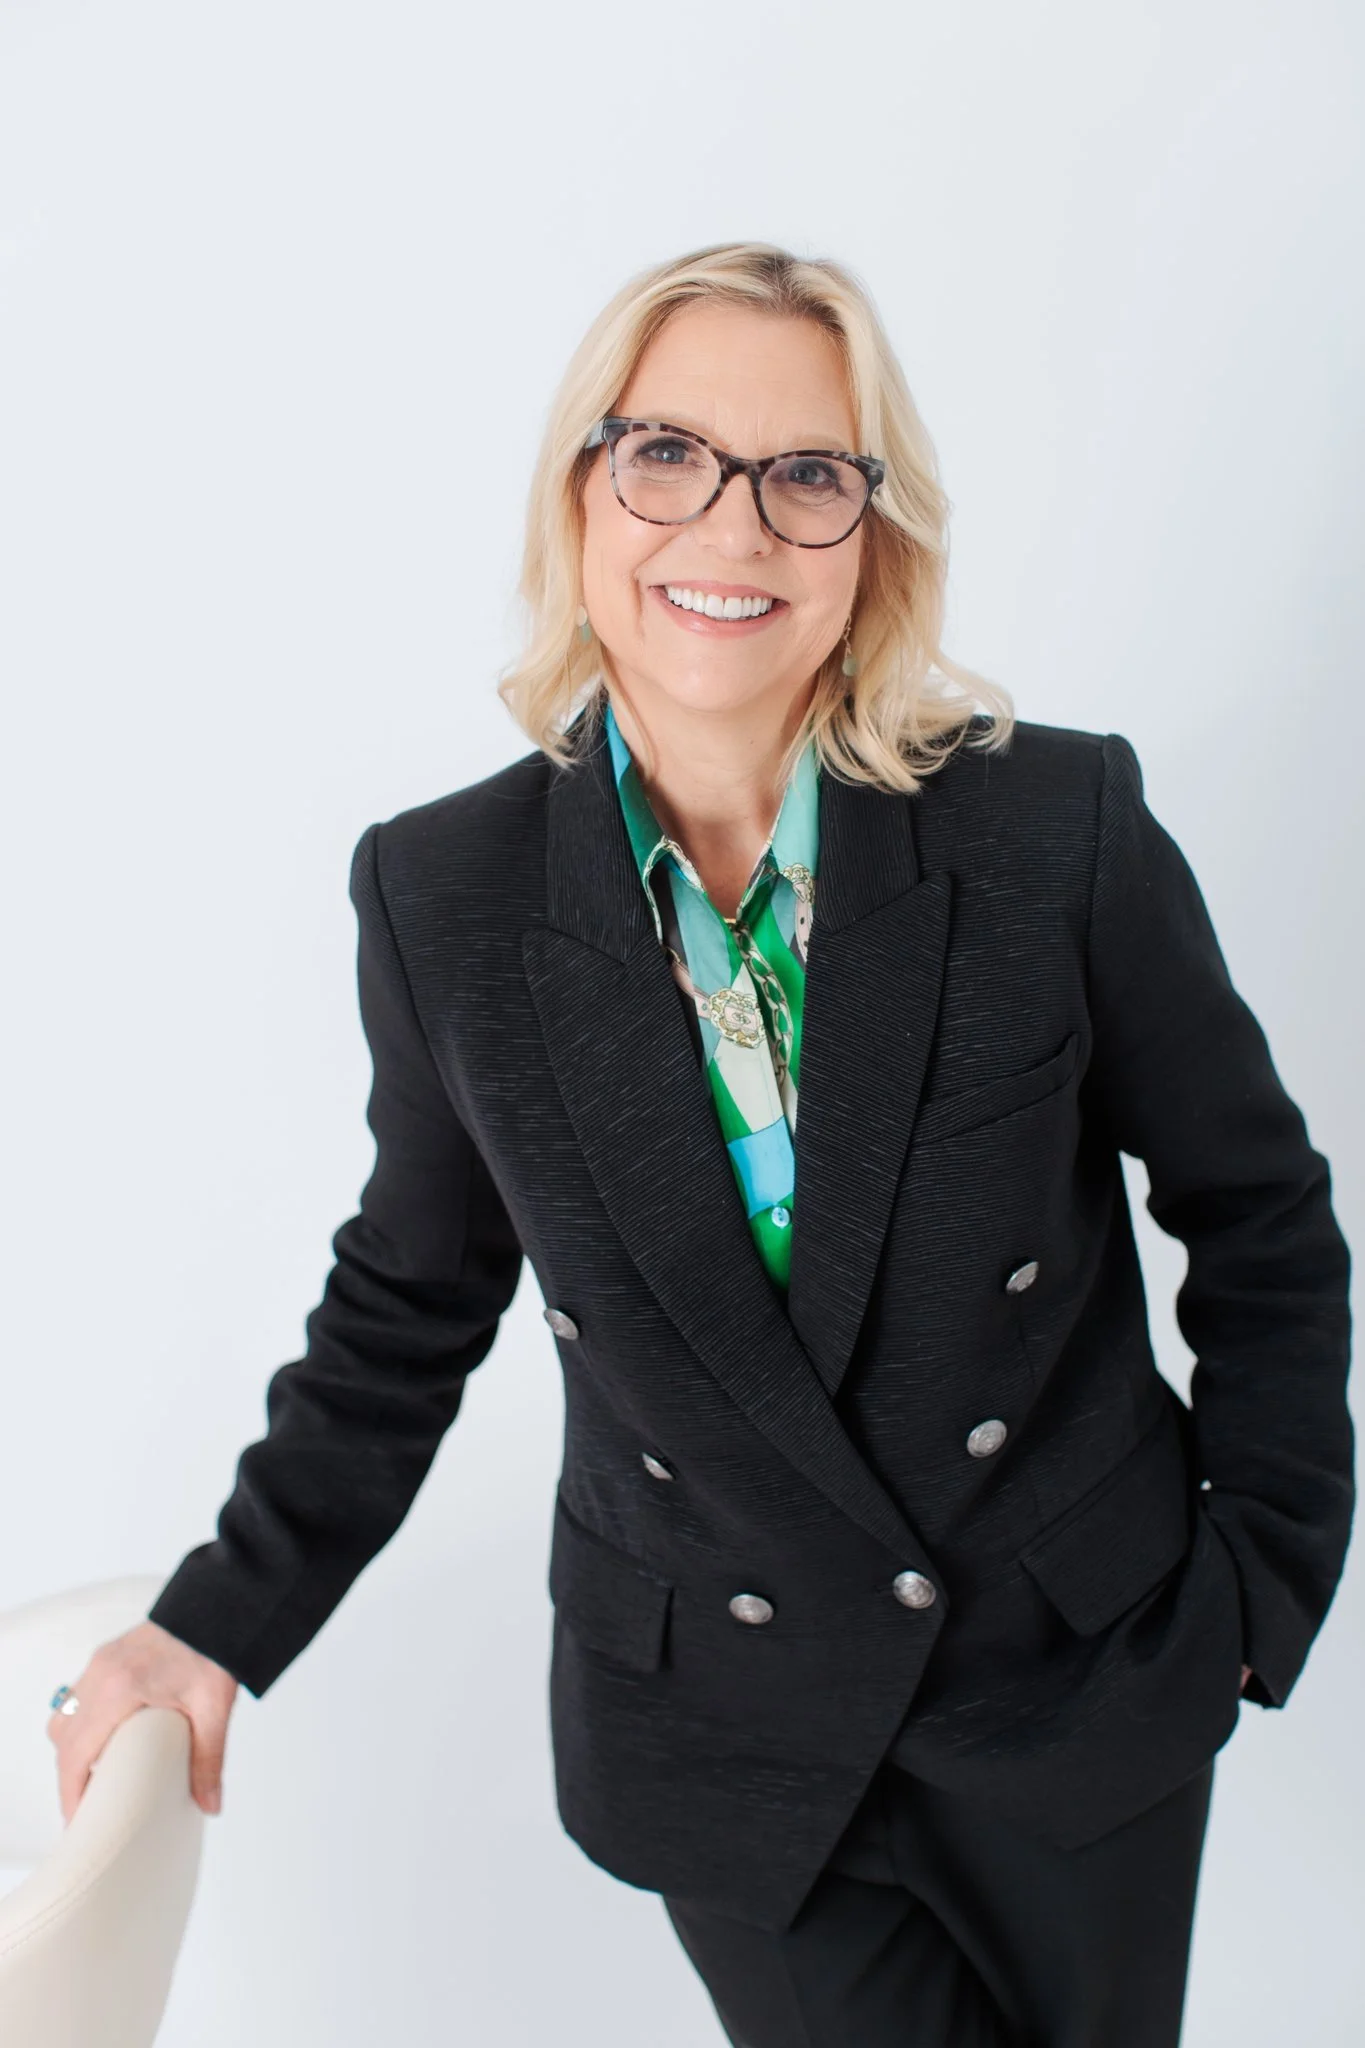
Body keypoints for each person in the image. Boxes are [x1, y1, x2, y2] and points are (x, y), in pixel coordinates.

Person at [47, 241, 1353, 2046]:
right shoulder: (443, 898)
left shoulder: (1057, 826)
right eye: (667, 455)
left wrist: (1258, 1586)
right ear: (582, 494)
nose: (730, 531)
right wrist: (215, 1624)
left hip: (1084, 1696)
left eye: (808, 475)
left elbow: (1260, 1213)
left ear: (872, 538)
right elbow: (407, 1303)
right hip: (730, 1738)